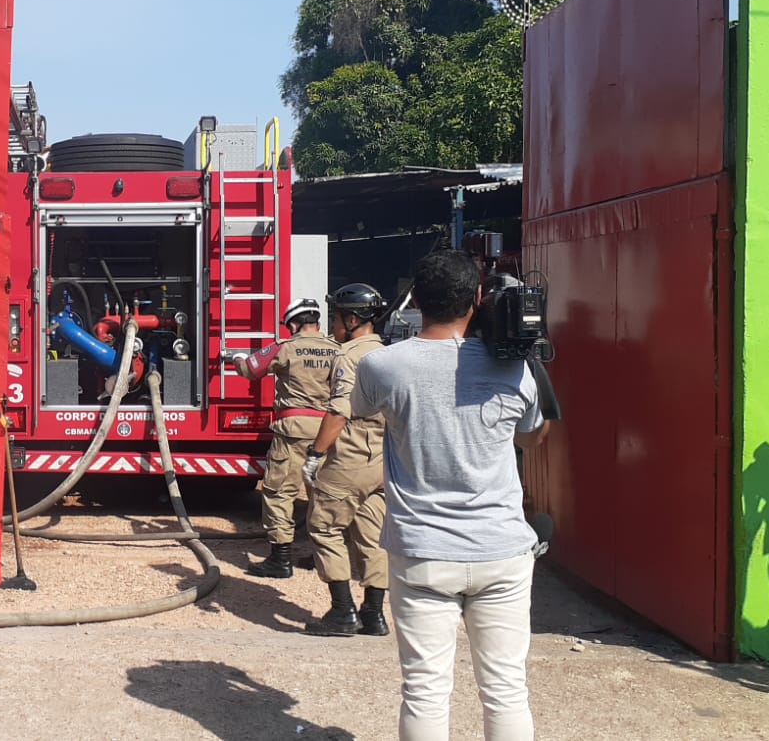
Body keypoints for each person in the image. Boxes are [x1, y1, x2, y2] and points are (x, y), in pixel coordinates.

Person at [350, 250, 550, 741]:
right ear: (478, 299)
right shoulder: (515, 369)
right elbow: (534, 437)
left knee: (424, 689)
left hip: (422, 553)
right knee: (506, 688)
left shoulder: (382, 366)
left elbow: (362, 411)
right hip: (500, 550)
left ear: (415, 300)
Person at [301, 282, 390, 636]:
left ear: (351, 319)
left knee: (324, 525)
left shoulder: (349, 355)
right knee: (373, 534)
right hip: (384, 457)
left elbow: (339, 411)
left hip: (353, 452)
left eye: (335, 318)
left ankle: (342, 612)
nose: (332, 325)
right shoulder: (387, 352)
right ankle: (374, 615)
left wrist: (315, 453)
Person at [232, 298, 342, 579]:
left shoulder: (286, 347)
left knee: (280, 492)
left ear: (293, 324)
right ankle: (322, 556)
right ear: (317, 321)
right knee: (321, 495)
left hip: (292, 430)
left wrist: (235, 359)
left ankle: (280, 560)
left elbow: (250, 370)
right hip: (328, 430)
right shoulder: (337, 350)